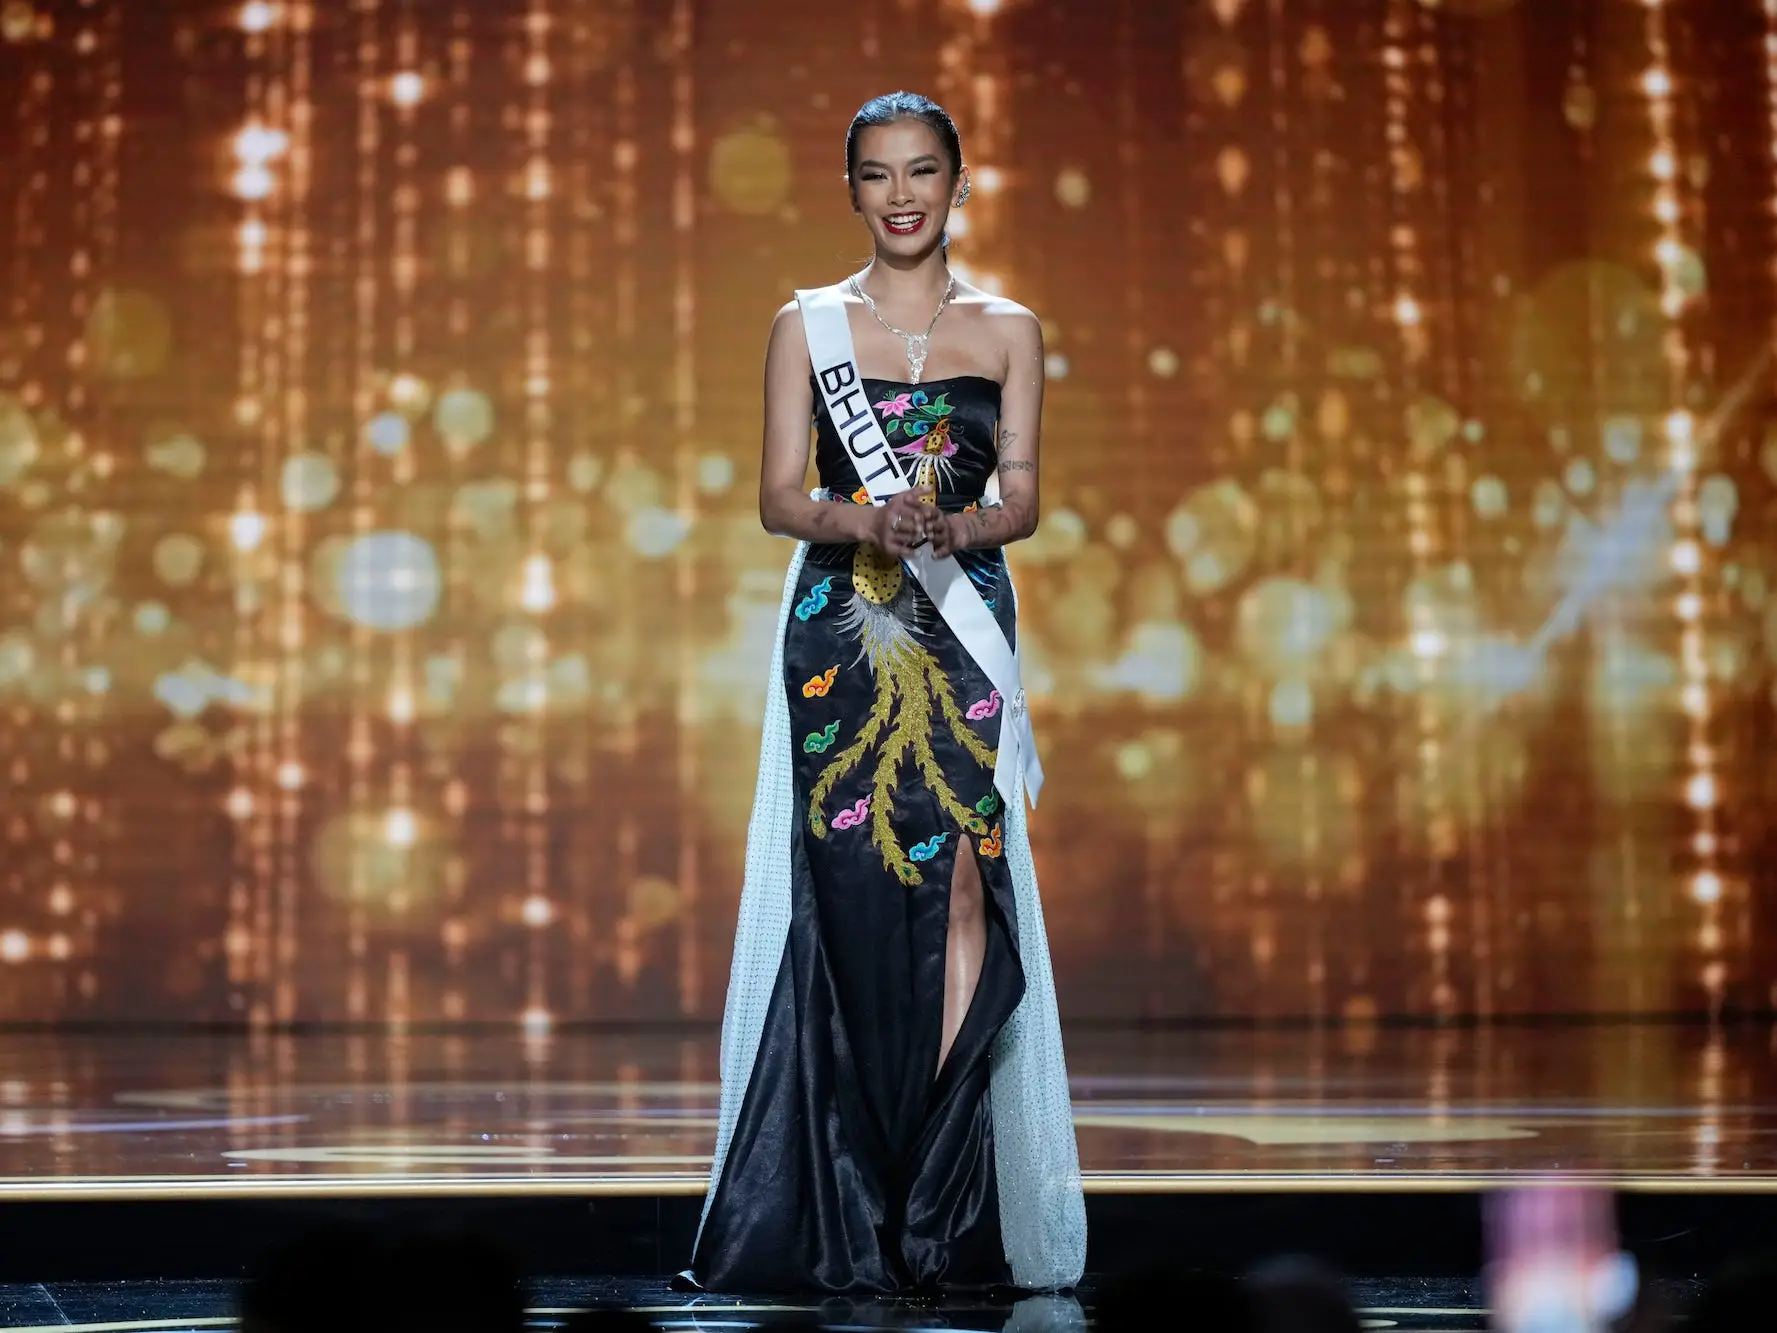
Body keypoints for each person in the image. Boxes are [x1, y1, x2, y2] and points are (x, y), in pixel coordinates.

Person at [683, 91, 1085, 1295]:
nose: (900, 194)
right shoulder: (805, 324)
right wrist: (867, 519)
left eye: (921, 171)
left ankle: (936, 1192)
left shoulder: (1009, 328)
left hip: (962, 625)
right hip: (842, 631)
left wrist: (954, 526)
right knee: (853, 893)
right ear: (851, 189)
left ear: (958, 182)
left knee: (965, 877)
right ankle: (850, 1192)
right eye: (876, 173)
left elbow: (1022, 500)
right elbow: (777, 499)